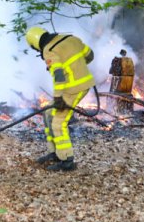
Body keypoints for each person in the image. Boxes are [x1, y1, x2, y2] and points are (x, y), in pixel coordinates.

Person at [25, 27, 95, 171]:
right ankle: (55, 152)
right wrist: (77, 67)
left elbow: (59, 76)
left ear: (34, 44)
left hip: (73, 88)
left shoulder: (49, 50)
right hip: (79, 85)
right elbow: (90, 55)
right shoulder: (71, 38)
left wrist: (58, 98)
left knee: (58, 123)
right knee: (48, 113)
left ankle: (66, 161)